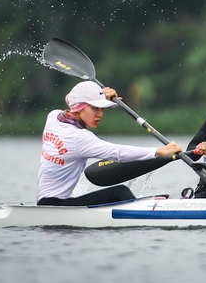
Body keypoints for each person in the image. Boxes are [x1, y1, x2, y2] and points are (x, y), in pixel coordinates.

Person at [37, 80, 182, 206]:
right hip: (56, 205)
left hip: (46, 202)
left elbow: (71, 100)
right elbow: (117, 152)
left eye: (101, 108)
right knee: (119, 192)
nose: (99, 114)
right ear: (79, 107)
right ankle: (142, 218)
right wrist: (159, 151)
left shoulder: (54, 117)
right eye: (95, 108)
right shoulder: (80, 138)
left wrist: (98, 96)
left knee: (119, 193)